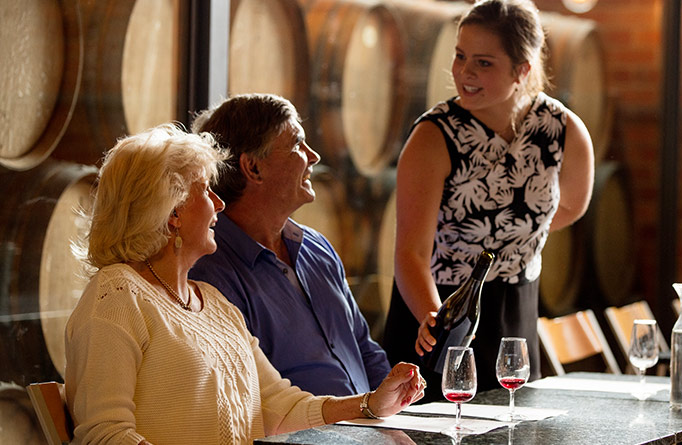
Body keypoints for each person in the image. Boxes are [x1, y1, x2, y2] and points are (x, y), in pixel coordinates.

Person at [64, 124, 425, 445]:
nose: (220, 204)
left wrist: (370, 404)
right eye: (206, 191)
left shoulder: (214, 303)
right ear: (172, 212)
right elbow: (105, 433)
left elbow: (282, 409)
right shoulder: (116, 295)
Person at [382, 0, 595, 400]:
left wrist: (511, 242)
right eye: (460, 56)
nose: (464, 73)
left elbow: (570, 207)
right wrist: (437, 319)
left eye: (483, 63)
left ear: (523, 70)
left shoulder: (563, 129)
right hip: (440, 308)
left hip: (517, 305)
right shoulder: (433, 136)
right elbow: (410, 252)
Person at [187, 93, 392, 397]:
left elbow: (365, 349)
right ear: (253, 168)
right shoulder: (212, 272)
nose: (313, 156)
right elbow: (249, 396)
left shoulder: (317, 248)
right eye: (297, 144)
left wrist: (396, 410)